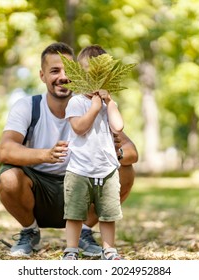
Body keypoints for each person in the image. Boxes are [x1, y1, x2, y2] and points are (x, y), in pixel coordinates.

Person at [0, 42, 138, 257]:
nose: (63, 76)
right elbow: (5, 151)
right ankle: (30, 230)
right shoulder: (28, 106)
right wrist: (46, 155)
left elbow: (132, 152)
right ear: (42, 76)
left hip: (85, 184)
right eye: (55, 71)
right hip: (39, 190)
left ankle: (85, 232)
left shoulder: (93, 104)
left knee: (125, 170)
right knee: (8, 177)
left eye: (68, 70)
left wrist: (115, 153)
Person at [62, 45, 125, 260]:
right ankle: (71, 249)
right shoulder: (76, 102)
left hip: (106, 168)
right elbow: (79, 127)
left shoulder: (108, 105)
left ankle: (109, 249)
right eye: (88, 71)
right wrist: (94, 108)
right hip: (79, 168)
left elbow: (118, 127)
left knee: (108, 213)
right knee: (75, 212)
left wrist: (109, 103)